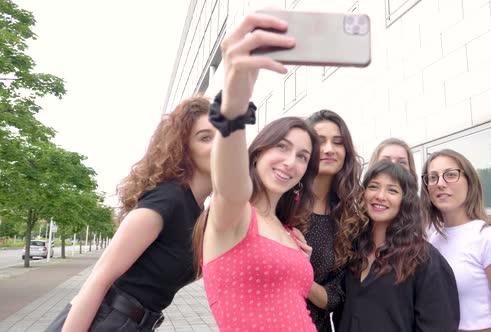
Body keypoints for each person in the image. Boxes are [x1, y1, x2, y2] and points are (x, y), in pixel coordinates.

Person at [194, 13, 320, 331]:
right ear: (258, 152)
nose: (291, 162)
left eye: (302, 156)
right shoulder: (235, 213)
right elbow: (229, 187)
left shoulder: (291, 232)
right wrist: (235, 105)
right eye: (281, 147)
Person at [46, 96, 215, 331]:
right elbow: (99, 278)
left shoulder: (199, 213)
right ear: (185, 149)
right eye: (206, 137)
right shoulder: (168, 198)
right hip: (105, 321)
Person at [339, 160, 460, 331]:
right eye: (373, 187)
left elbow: (439, 325)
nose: (380, 196)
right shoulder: (351, 250)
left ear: (405, 200)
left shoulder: (424, 259)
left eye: (392, 190)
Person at [421, 149, 491, 331]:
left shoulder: (490, 237)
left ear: (469, 181)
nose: (441, 184)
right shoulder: (431, 240)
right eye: (433, 177)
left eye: (451, 175)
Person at [301, 110, 363, 331]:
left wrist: (299, 275)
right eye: (320, 141)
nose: (329, 149)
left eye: (338, 142)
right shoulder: (283, 205)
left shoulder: (350, 219)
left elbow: (336, 296)